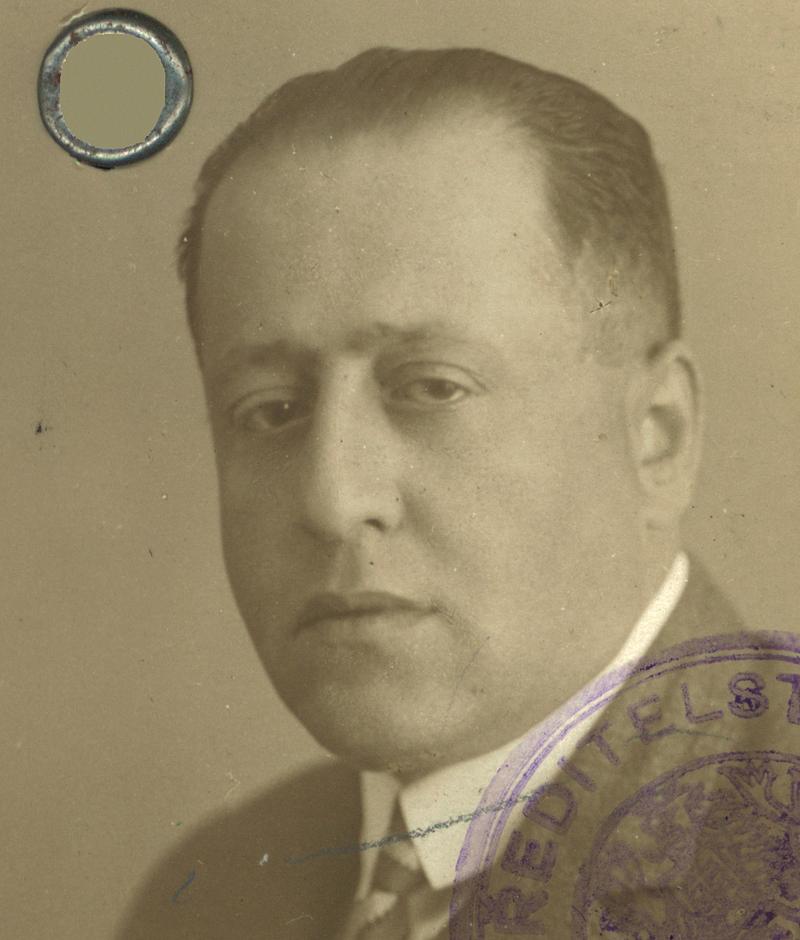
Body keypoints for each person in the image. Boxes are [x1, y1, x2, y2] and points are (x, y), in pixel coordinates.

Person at [117, 47, 751, 939]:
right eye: (271, 409)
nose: (333, 498)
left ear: (657, 436)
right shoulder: (215, 894)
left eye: (432, 387)